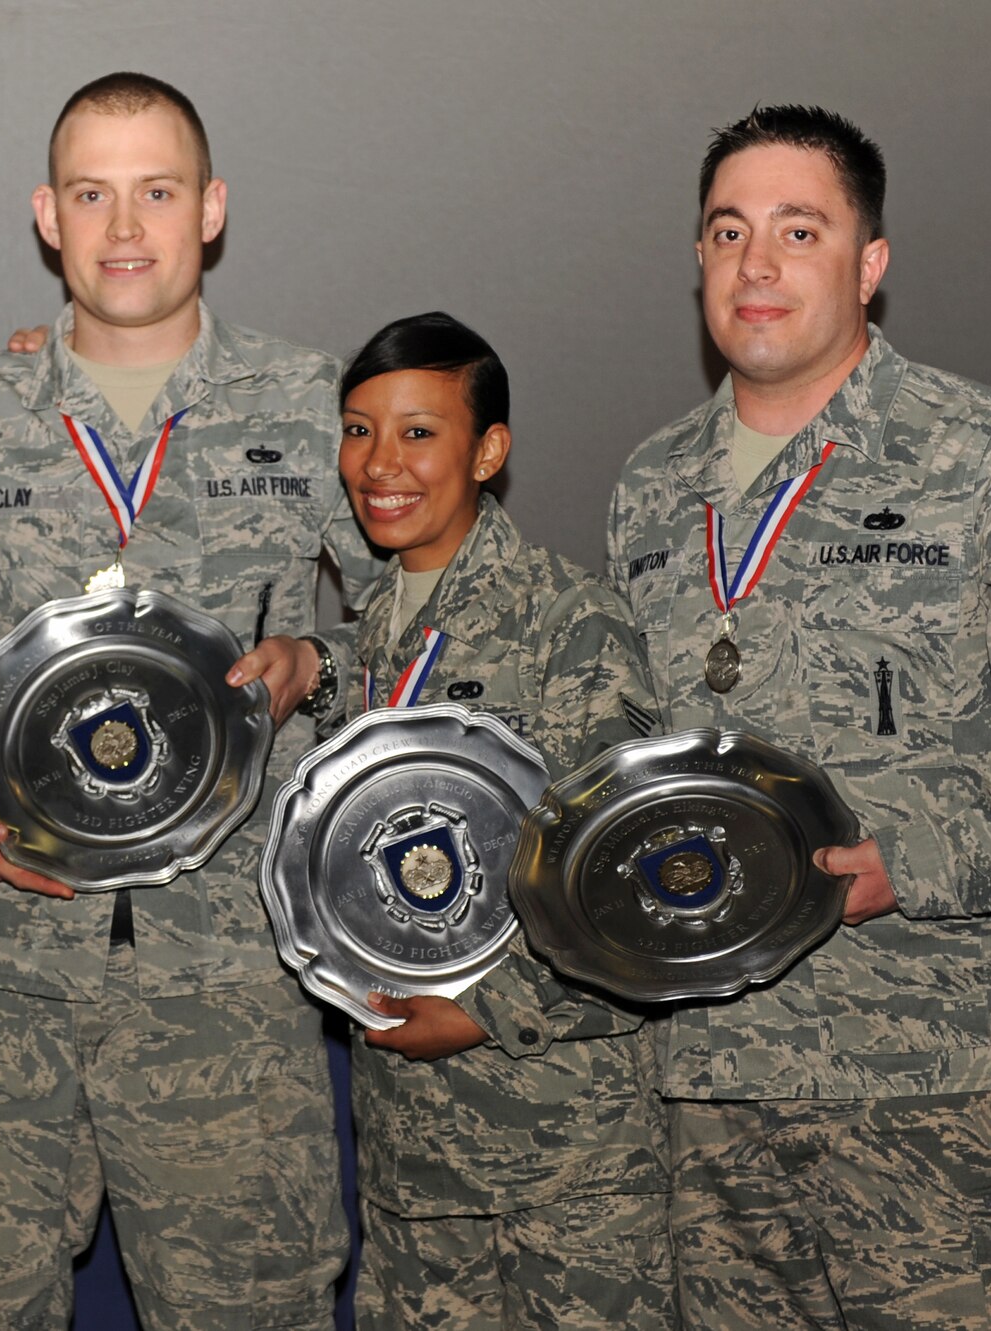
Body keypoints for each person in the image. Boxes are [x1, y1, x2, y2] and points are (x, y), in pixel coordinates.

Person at [605, 105, 991, 1330]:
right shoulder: (649, 487)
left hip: (937, 1096)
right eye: (726, 231)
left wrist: (906, 855)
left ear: (868, 265)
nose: (754, 265)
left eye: (797, 230)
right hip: (707, 1099)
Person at [0, 72, 382, 1330]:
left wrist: (318, 665)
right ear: (48, 215)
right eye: (92, 193)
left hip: (230, 985)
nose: (125, 227)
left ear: (210, 210)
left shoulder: (315, 410)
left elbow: (422, 643)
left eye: (156, 191)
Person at [332, 313, 676, 1330]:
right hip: (406, 1168)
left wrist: (491, 1005)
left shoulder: (570, 621)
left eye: (417, 432)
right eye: (356, 431)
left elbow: (637, 880)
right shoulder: (363, 645)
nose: (379, 464)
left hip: (565, 1167)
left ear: (488, 449)